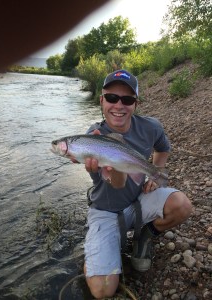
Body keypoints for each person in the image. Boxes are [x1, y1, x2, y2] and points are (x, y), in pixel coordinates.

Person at [81, 69, 192, 299]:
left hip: (139, 201)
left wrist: (154, 174)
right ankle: (96, 253)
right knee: (102, 290)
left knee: (181, 205)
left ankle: (145, 236)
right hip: (105, 211)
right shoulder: (94, 137)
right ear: (101, 100)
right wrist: (114, 167)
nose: (118, 106)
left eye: (127, 99)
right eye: (112, 98)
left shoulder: (151, 127)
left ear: (136, 104)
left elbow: (163, 148)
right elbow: (117, 185)